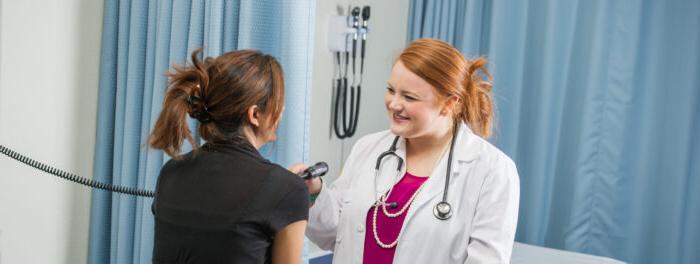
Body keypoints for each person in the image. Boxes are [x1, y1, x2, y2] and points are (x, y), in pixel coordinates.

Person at [303, 38, 520, 263]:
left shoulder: (492, 171)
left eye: (409, 97)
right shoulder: (368, 148)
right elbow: (335, 234)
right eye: (391, 90)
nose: (394, 104)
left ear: (449, 104)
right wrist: (314, 192)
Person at [149, 49, 308, 264]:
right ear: (254, 115)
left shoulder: (170, 172)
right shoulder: (287, 190)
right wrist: (284, 191)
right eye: (278, 102)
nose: (282, 110)